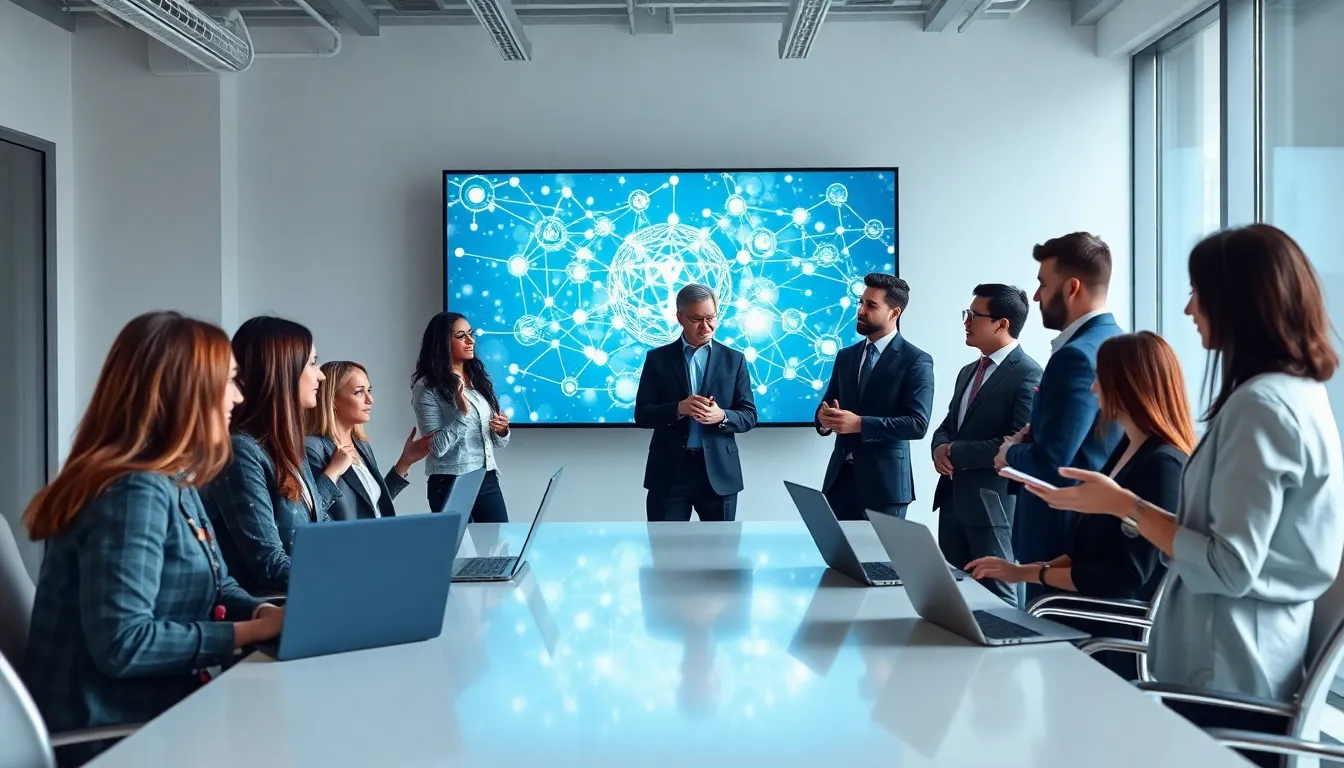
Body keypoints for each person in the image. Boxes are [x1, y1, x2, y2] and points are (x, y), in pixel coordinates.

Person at [1023, 225, 1343, 767]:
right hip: (1232, 664)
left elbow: (1228, 564)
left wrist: (1126, 506)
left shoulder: (1264, 408)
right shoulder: (1291, 395)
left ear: (1236, 301)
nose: (1189, 308)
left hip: (1230, 681)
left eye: (1198, 291)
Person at [21, 312, 283, 766]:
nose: (238, 398)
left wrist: (264, 611)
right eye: (231, 382)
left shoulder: (175, 479)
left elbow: (218, 583)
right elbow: (125, 643)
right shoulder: (132, 492)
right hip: (115, 737)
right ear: (186, 393)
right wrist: (249, 632)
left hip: (162, 715)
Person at [973, 331, 1191, 679]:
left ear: (1129, 384)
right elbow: (1089, 552)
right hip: (1086, 616)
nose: (1092, 389)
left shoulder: (1163, 465)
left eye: (1100, 379)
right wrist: (1018, 572)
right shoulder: (1125, 452)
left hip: (1107, 631)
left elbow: (1122, 577)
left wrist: (1037, 574)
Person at [996, 232, 1122, 600]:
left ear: (1071, 288)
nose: (1035, 297)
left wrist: (1009, 454)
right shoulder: (1112, 341)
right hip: (1083, 533)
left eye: (1041, 284)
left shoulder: (1077, 356)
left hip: (1060, 537)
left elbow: (1055, 461)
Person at [202, 316, 344, 595]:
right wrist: (349, 579)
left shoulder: (289, 448)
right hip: (270, 614)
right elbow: (269, 565)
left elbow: (319, 530)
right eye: (313, 363)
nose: (321, 375)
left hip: (308, 601)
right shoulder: (241, 453)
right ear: (283, 371)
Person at [931, 284, 1041, 604]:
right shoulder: (968, 371)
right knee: (954, 594)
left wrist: (955, 452)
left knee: (998, 596)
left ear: (1001, 324)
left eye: (974, 315)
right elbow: (948, 426)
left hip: (992, 505)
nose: (966, 321)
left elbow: (1018, 440)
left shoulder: (1028, 373)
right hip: (952, 500)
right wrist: (939, 447)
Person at [634, 283, 758, 522]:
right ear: (679, 318)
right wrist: (678, 408)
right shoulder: (657, 359)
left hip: (720, 474)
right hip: (669, 473)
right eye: (697, 319)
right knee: (665, 552)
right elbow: (642, 414)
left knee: (722, 555)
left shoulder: (735, 360)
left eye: (711, 317)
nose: (706, 326)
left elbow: (749, 415)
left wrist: (722, 415)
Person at [815, 273, 934, 520]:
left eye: (871, 305)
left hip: (886, 487)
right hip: (840, 482)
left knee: (880, 560)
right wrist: (825, 419)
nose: (860, 310)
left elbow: (917, 424)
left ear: (894, 313)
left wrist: (858, 424)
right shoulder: (846, 356)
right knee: (838, 559)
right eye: (861, 302)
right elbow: (827, 406)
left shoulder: (916, 360)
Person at [412, 311, 511, 522]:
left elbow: (495, 442)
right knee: (455, 553)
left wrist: (502, 431)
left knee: (499, 550)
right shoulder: (427, 387)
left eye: (470, 333)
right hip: (449, 483)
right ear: (442, 343)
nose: (470, 340)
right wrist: (462, 414)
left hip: (486, 477)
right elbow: (436, 448)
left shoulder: (478, 379)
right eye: (460, 336)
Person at [304, 361, 432, 521]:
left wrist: (405, 462)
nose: (370, 399)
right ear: (333, 400)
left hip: (377, 540)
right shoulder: (312, 449)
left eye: (368, 390)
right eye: (359, 392)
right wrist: (334, 471)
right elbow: (308, 514)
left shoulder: (361, 445)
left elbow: (371, 506)